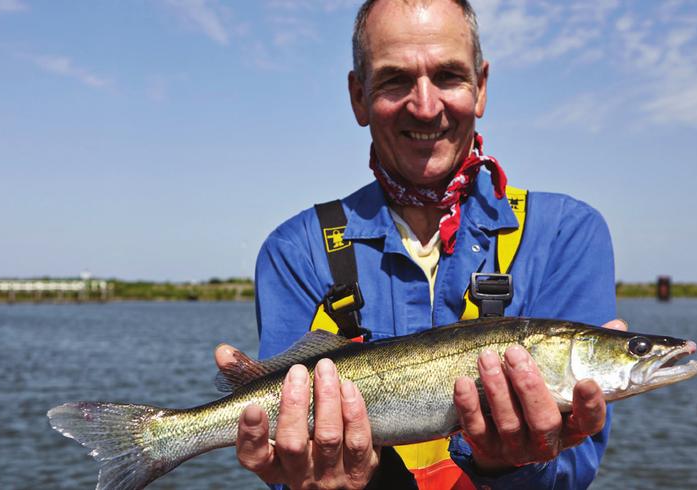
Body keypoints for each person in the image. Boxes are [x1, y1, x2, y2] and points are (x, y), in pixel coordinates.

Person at [215, 0, 627, 488]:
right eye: (395, 80)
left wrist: (513, 463)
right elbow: (289, 467)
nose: (425, 106)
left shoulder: (563, 232)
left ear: (482, 87)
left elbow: (572, 471)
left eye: (449, 75)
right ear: (358, 97)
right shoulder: (296, 250)